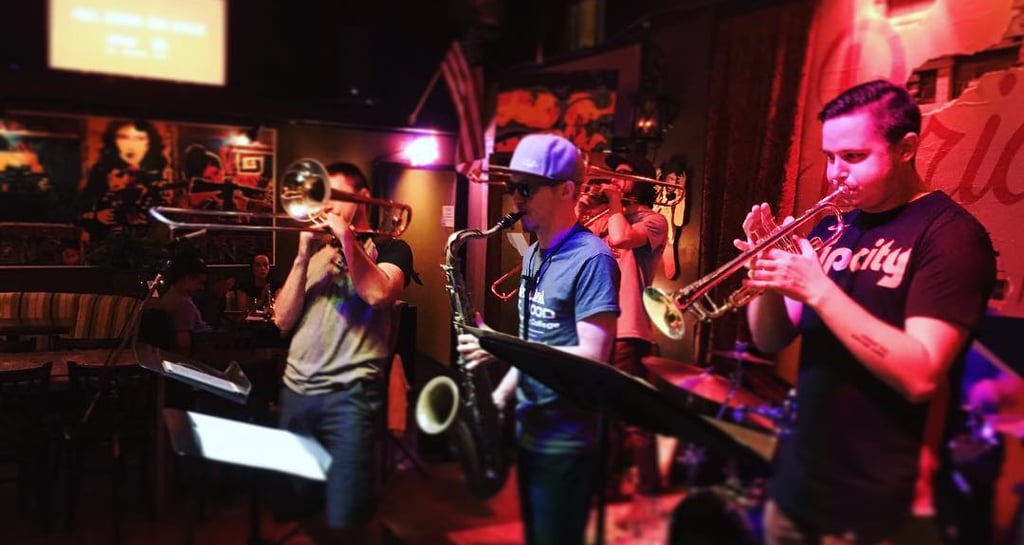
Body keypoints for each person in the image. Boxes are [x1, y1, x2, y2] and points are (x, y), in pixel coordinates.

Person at [738, 80, 997, 545]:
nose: (836, 173)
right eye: (830, 157)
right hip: (798, 490)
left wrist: (818, 289)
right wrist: (765, 277)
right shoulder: (834, 225)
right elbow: (771, 339)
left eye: (853, 157)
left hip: (881, 510)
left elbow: (920, 375)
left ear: (907, 148)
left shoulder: (950, 236)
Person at [458, 133, 621, 545]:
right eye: (512, 187)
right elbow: (536, 337)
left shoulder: (593, 259)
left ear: (566, 189)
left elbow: (592, 355)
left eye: (526, 188)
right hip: (530, 426)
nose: (515, 198)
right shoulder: (533, 254)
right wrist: (499, 399)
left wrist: (501, 346)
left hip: (567, 439)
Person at [271, 160, 415, 543]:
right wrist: (302, 257)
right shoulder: (315, 253)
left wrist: (347, 238)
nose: (326, 206)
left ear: (361, 197)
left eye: (334, 196)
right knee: (303, 502)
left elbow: (378, 293)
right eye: (321, 197)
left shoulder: (391, 248)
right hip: (296, 394)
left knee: (349, 511)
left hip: (349, 397)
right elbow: (282, 321)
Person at [578, 153, 668, 508]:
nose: (613, 179)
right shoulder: (603, 218)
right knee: (600, 410)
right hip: (595, 324)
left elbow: (621, 238)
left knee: (629, 413)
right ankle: (605, 484)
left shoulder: (654, 220)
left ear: (643, 182)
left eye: (623, 175)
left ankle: (648, 488)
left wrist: (614, 201)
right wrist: (580, 210)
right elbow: (561, 247)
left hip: (629, 327)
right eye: (611, 174)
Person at [77, 119, 169, 244]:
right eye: (123, 137)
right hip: (107, 242)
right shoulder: (102, 172)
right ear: (114, 141)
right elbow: (79, 209)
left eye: (140, 138)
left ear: (149, 143)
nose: (130, 145)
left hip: (146, 244)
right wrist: (96, 215)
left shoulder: (158, 174)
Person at [149, 251, 213, 354]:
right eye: (199, 282)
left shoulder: (169, 296)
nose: (202, 287)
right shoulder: (183, 304)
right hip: (206, 351)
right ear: (187, 278)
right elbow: (183, 344)